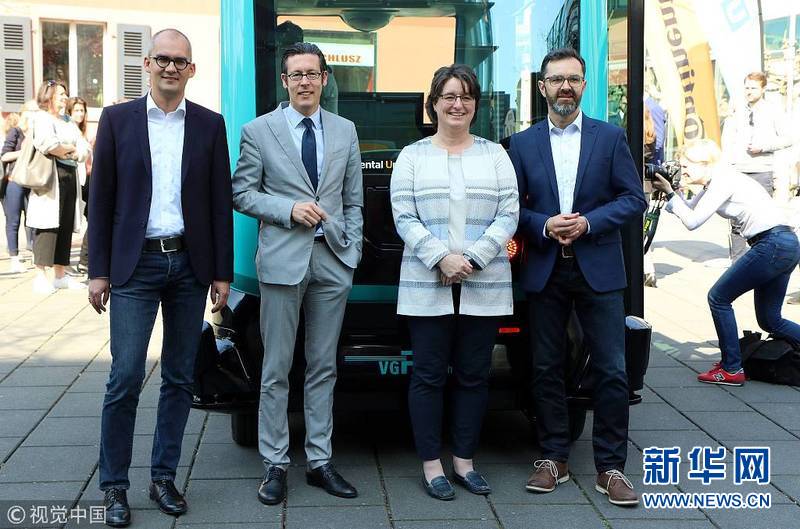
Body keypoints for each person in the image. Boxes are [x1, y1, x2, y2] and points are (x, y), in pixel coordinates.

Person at [87, 28, 233, 527]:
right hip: (135, 266)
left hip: (190, 265)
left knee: (179, 377)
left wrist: (222, 272)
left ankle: (164, 477)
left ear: (192, 69)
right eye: (163, 59)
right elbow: (100, 199)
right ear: (147, 64)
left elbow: (219, 203)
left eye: (180, 61)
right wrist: (98, 270)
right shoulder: (116, 120)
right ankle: (114, 486)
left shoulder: (210, 124)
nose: (171, 67)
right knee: (125, 376)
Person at [509, 47, 646, 506]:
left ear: (584, 86)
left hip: (598, 267)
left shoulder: (610, 138)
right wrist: (544, 224)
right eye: (556, 79)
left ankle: (611, 467)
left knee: (612, 370)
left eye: (573, 79)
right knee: (545, 367)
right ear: (542, 87)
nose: (564, 87)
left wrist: (588, 222)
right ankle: (554, 458)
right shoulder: (522, 143)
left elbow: (633, 199)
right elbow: (511, 208)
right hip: (545, 266)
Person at [232, 42, 363, 506]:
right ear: (284, 81)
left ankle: (320, 460)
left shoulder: (346, 130)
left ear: (325, 79)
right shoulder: (258, 130)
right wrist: (288, 209)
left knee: (324, 366)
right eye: (296, 75)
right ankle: (275, 463)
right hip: (282, 262)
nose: (305, 81)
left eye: (312, 73)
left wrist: (352, 251)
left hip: (333, 260)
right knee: (276, 367)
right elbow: (242, 193)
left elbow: (353, 199)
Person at [390, 64, 519, 500]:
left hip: (485, 280)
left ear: (475, 106)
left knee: (474, 375)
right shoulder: (412, 156)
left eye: (465, 97)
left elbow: (509, 212)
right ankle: (432, 465)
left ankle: (464, 461)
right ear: (434, 104)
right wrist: (441, 257)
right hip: (428, 280)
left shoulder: (495, 155)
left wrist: (473, 258)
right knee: (427, 375)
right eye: (448, 96)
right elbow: (403, 215)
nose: (457, 104)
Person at [653, 139, 800, 385]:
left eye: (686, 166)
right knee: (770, 319)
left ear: (705, 163)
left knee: (719, 298)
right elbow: (687, 209)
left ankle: (731, 368)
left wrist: (669, 192)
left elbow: (692, 222)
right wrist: (672, 191)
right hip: (785, 243)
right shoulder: (716, 181)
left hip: (771, 244)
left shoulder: (722, 180)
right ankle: (732, 365)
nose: (683, 171)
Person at [721, 71, 793, 261]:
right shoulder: (737, 111)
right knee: (736, 219)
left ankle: (760, 258)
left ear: (763, 89)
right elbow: (728, 140)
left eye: (753, 88)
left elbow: (788, 138)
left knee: (761, 219)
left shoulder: (773, 111)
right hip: (738, 171)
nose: (749, 91)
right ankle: (737, 261)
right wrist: (726, 164)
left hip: (762, 170)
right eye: (746, 87)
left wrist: (764, 146)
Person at [27, 81, 90, 293]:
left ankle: (60, 275)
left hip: (69, 175)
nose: (64, 97)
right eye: (60, 94)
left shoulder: (67, 121)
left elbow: (84, 147)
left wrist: (69, 151)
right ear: (49, 96)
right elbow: (48, 145)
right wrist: (71, 149)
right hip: (50, 177)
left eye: (65, 93)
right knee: (47, 226)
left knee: (65, 225)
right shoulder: (42, 118)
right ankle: (40, 276)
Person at [1, 102, 37, 273]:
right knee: (13, 220)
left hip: (32, 181)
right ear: (24, 113)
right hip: (14, 181)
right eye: (32, 111)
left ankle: (36, 255)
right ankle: (14, 258)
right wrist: (24, 151)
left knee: (33, 220)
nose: (35, 114)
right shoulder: (16, 131)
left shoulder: (36, 133)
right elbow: (5, 155)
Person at [65, 96, 92, 274]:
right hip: (75, 180)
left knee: (90, 220)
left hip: (85, 180)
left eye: (82, 110)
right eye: (76, 110)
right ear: (69, 112)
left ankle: (83, 260)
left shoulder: (81, 132)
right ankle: (65, 262)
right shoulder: (67, 129)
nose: (80, 114)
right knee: (69, 221)